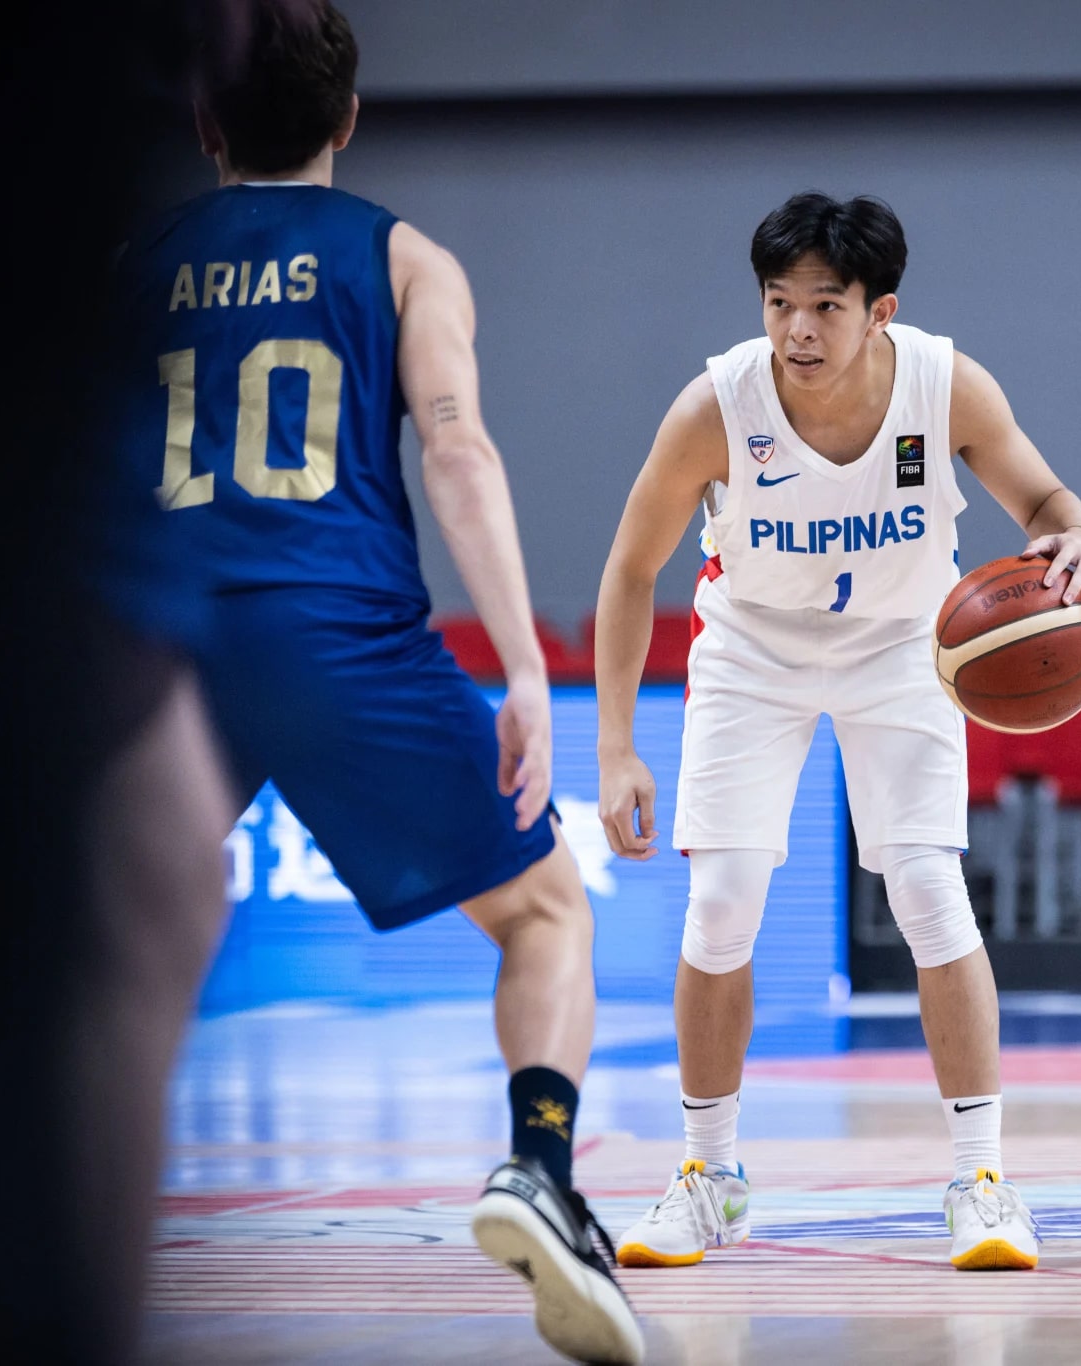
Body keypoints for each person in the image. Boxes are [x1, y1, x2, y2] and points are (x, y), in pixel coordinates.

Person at [107, 4, 641, 1360]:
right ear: (348, 118)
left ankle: (69, 1227)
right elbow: (457, 454)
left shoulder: (133, 259)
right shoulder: (405, 259)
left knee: (110, 951)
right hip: (340, 630)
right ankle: (540, 1172)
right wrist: (526, 662)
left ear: (205, 122)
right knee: (545, 910)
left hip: (163, 638)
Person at [594, 192, 1081, 1272]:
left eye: (823, 306)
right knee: (723, 898)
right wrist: (612, 746)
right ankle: (708, 1175)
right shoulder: (715, 405)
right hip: (752, 647)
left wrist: (1079, 541)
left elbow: (1045, 499)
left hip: (902, 644)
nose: (795, 329)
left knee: (928, 888)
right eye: (778, 303)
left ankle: (981, 1181)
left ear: (878, 310)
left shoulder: (945, 385)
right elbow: (628, 571)